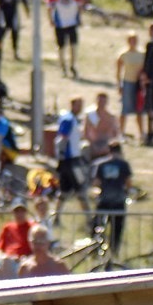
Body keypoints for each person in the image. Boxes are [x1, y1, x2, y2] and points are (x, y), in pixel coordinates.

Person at [54, 96, 91, 225]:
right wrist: (61, 156)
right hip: (71, 161)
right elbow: (61, 139)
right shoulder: (68, 119)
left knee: (64, 191)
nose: (80, 107)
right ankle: (89, 219)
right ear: (72, 105)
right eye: (78, 104)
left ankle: (56, 217)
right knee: (80, 188)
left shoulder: (74, 119)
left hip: (71, 159)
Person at [90, 139, 132, 251]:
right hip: (118, 200)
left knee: (98, 226)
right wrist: (127, 191)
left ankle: (95, 248)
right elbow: (128, 182)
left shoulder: (101, 164)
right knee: (117, 228)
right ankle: (114, 251)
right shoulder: (124, 165)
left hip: (104, 199)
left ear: (109, 150)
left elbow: (96, 183)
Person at [47, 0, 85, 78]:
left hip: (72, 22)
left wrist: (80, 18)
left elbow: (79, 5)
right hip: (60, 23)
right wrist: (51, 19)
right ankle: (63, 67)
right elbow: (49, 7)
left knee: (73, 45)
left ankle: (72, 66)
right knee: (61, 46)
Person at [116, 32, 147, 142]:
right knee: (124, 109)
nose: (133, 42)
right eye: (131, 40)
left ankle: (141, 133)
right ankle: (121, 132)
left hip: (138, 84)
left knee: (139, 109)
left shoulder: (142, 54)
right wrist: (119, 85)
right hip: (128, 82)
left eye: (135, 39)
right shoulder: (123, 54)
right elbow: (118, 71)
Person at [0, 203, 34, 279]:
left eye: (22, 211)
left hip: (24, 259)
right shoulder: (7, 227)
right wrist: (0, 257)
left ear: (26, 213)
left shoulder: (32, 227)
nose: (19, 214)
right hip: (8, 259)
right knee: (4, 262)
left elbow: (36, 247)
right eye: (17, 212)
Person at [84, 93, 120, 160]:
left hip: (107, 143)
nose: (101, 103)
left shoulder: (111, 117)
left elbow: (116, 134)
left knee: (117, 150)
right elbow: (86, 133)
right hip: (93, 143)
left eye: (103, 101)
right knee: (84, 148)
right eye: (100, 101)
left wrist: (107, 146)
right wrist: (93, 145)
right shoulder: (90, 116)